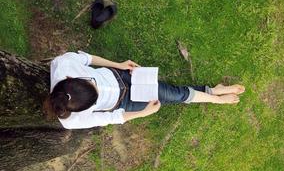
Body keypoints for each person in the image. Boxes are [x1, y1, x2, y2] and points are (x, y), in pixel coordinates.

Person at [43, 51, 245, 129]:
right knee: (174, 95)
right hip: (125, 102)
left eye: (90, 81)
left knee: (174, 92)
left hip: (120, 75)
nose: (96, 84)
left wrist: (119, 64)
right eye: (96, 96)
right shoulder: (72, 121)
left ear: (71, 78)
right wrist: (143, 112)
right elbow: (112, 118)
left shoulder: (63, 64)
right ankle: (215, 97)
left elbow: (89, 59)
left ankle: (212, 91)